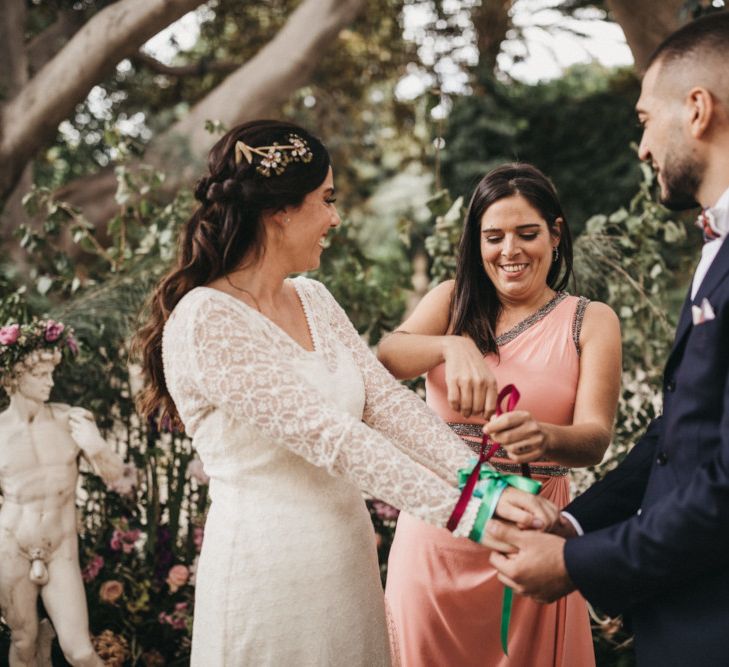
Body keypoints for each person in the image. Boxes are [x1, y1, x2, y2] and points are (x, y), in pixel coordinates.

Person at [133, 120, 559, 666]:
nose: (335, 217)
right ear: (281, 209)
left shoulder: (313, 299)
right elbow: (335, 439)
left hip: (347, 567)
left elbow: (386, 405)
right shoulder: (206, 320)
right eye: (326, 199)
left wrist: (488, 486)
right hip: (270, 576)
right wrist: (474, 516)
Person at [487, 13, 729, 667]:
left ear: (697, 110)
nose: (643, 146)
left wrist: (575, 561)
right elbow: (674, 441)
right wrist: (570, 522)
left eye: (646, 119)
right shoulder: (717, 244)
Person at [378, 163, 622, 666]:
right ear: (477, 243)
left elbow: (595, 439)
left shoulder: (591, 321)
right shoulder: (451, 301)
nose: (509, 251)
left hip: (529, 542)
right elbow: (385, 357)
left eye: (526, 234)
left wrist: (544, 437)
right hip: (439, 532)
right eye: (494, 237)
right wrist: (451, 346)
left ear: (555, 234)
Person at [0, 319, 124, 667]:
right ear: (15, 376)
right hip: (11, 547)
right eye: (40, 375)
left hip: (60, 550)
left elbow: (116, 476)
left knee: (80, 651)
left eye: (50, 373)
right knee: (23, 642)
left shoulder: (71, 421)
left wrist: (97, 448)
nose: (50, 382)